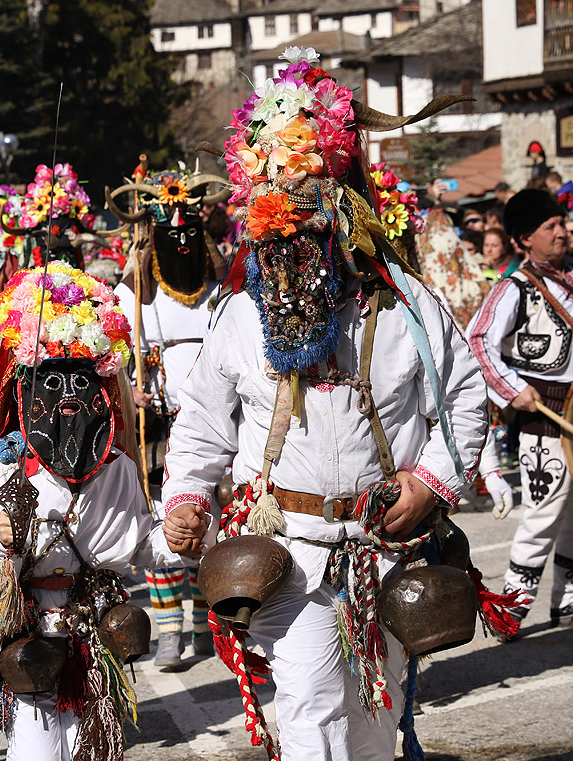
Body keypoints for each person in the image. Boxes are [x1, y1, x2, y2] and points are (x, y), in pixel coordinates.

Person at [164, 51, 488, 760]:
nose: (291, 244)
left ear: (346, 214)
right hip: (289, 555)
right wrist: (186, 495)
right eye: (276, 230)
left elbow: (465, 399)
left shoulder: (407, 305)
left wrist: (431, 482)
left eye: (309, 226)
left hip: (389, 549)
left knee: (377, 713)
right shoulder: (239, 320)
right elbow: (204, 424)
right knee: (310, 708)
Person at [0, 262, 204, 760]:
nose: (68, 395)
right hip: (26, 635)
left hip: (95, 634)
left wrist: (179, 535)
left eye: (81, 381)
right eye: (51, 382)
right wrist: (3, 541)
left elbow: (139, 547)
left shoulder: (117, 470)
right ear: (24, 392)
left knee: (91, 749)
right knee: (38, 749)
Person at [105, 164, 226, 669]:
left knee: (209, 519)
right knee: (163, 520)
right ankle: (169, 630)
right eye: (169, 228)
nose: (181, 238)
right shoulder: (136, 287)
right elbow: (111, 346)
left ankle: (204, 623)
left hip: (217, 423)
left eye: (190, 229)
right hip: (156, 421)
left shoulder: (220, 281)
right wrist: (126, 384)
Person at [467, 188, 573, 631]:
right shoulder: (515, 287)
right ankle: (509, 607)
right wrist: (514, 390)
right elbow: (477, 340)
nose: (563, 231)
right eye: (551, 227)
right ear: (525, 239)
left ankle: (566, 599)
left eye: (563, 223)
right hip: (542, 417)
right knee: (545, 512)